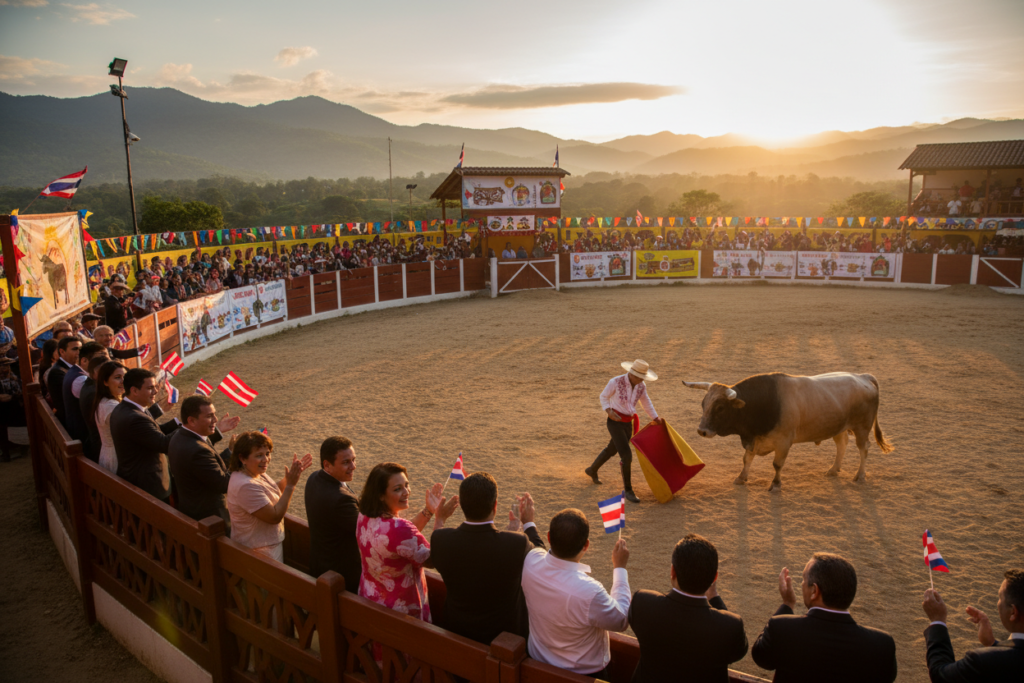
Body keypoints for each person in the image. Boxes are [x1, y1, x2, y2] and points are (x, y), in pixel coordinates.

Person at [430, 473, 545, 644]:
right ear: (495, 506)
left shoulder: (441, 539)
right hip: (505, 644)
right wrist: (528, 523)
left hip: (456, 636)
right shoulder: (516, 543)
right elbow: (541, 559)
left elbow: (438, 547)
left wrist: (439, 518)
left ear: (461, 505)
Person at [751, 553, 897, 683]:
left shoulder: (782, 629)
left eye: (803, 579)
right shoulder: (882, 645)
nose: (802, 584)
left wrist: (788, 604)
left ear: (814, 591)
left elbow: (760, 657)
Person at [521, 508, 630, 679]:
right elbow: (621, 620)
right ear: (586, 545)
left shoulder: (530, 561)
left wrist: (528, 522)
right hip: (584, 675)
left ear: (549, 537)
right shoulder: (589, 591)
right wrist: (620, 568)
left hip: (537, 665)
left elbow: (537, 548)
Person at [628, 534, 747, 683]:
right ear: (714, 577)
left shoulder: (643, 602)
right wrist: (714, 596)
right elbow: (736, 652)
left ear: (672, 572)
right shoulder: (730, 626)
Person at [356, 462, 459, 623]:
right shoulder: (399, 528)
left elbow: (401, 542)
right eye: (398, 489)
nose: (406, 492)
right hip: (400, 614)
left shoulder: (364, 515)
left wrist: (428, 511)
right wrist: (440, 520)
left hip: (371, 602)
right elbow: (432, 560)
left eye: (407, 485)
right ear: (380, 495)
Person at [921, 569, 1024, 682]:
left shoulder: (982, 661)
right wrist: (992, 644)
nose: (998, 603)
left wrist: (937, 621)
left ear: (1013, 612)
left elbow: (940, 675)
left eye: (1000, 597)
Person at [585, 359, 664, 503]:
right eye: (639, 377)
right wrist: (608, 411)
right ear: (631, 373)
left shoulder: (641, 386)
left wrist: (656, 417)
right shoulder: (615, 382)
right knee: (626, 456)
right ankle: (629, 490)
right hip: (614, 422)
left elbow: (646, 402)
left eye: (643, 377)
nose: (641, 380)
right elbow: (603, 396)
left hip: (628, 423)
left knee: (612, 449)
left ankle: (592, 469)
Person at [225, 431, 312, 561]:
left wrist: (288, 479)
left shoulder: (252, 471)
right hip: (259, 553)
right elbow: (274, 516)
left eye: (267, 454)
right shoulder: (245, 486)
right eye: (259, 455)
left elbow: (271, 491)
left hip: (262, 547)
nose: (266, 459)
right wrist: (290, 486)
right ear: (242, 458)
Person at [167, 395, 241, 530]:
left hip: (193, 510)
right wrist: (241, 459)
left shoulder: (179, 435)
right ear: (192, 420)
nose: (215, 420)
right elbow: (223, 484)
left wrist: (230, 452)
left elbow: (208, 468)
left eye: (214, 415)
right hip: (210, 520)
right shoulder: (197, 450)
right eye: (209, 416)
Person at [111, 368, 180, 502]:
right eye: (150, 388)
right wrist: (189, 427)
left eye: (155, 387)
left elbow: (152, 433)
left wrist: (178, 423)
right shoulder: (135, 417)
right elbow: (163, 444)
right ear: (134, 390)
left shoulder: (127, 408)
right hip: (148, 486)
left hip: (141, 482)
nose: (155, 392)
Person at [304, 436, 361, 591]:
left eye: (353, 459)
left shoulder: (314, 477)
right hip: (341, 578)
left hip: (319, 565)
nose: (353, 466)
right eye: (346, 462)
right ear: (327, 465)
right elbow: (368, 531)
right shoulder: (341, 500)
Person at [62, 341, 107, 442]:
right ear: (84, 361)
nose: (105, 362)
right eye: (98, 360)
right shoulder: (81, 379)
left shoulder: (75, 371)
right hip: (83, 435)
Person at [92, 361, 127, 473]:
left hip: (108, 453)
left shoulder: (104, 401)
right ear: (105, 382)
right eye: (118, 377)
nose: (123, 381)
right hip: (116, 457)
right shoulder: (112, 406)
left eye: (124, 377)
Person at [47, 336, 82, 426]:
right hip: (72, 423)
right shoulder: (57, 372)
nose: (79, 352)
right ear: (62, 351)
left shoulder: (71, 367)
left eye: (80, 349)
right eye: (75, 349)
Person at [0, 358, 25, 462]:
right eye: (3, 366)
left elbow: (20, 390)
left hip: (14, 408)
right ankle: (6, 453)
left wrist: (13, 397)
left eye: (8, 365)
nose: (6, 368)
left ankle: (21, 447)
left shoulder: (14, 377)